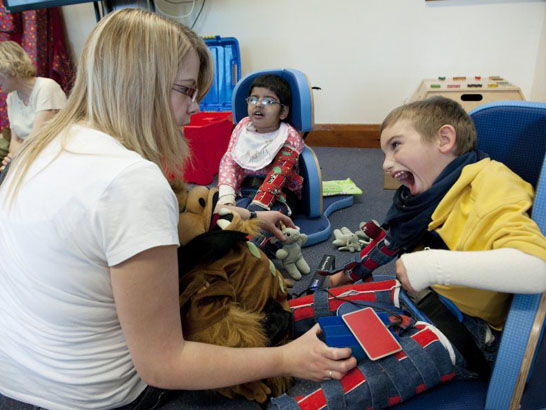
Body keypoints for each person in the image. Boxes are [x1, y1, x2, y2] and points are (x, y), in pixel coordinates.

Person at [0, 9, 355, 410]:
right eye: (187, 90)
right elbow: (163, 365)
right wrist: (287, 358)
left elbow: (155, 214)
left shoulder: (40, 148)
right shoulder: (129, 181)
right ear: (140, 85)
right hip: (95, 398)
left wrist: (249, 218)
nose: (197, 106)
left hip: (15, 380)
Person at [329, 95, 546, 377]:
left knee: (357, 379)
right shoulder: (429, 194)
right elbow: (391, 242)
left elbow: (537, 268)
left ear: (444, 139)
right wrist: (346, 277)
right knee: (318, 307)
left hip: (470, 329)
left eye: (395, 146)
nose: (385, 164)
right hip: (422, 296)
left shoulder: (492, 182)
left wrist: (432, 267)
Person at [217, 74, 305, 216]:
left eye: (269, 101)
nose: (258, 104)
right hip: (246, 186)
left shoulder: (287, 135)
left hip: (280, 192)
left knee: (269, 216)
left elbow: (281, 171)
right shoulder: (242, 127)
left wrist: (260, 205)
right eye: (253, 99)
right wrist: (226, 195)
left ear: (283, 112)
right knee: (223, 210)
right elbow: (230, 161)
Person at [0, 40, 67, 169]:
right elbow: (15, 140)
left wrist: (15, 158)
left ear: (10, 70)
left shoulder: (46, 87)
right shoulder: (11, 98)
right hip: (28, 157)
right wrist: (12, 157)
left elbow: (37, 139)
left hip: (50, 156)